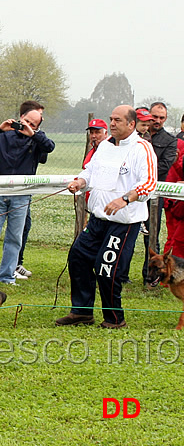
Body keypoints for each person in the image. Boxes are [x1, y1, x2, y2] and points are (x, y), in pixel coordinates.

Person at [56, 105, 157, 328]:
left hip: (124, 223)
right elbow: (90, 172)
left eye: (118, 120)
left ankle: (114, 318)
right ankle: (81, 312)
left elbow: (149, 183)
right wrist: (80, 182)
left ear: (131, 124)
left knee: (106, 267)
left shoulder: (143, 148)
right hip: (97, 220)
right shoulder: (104, 147)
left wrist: (125, 199)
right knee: (78, 257)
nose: (112, 123)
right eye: (111, 119)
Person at [0, 101, 55, 285]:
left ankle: (7, 276)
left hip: (21, 194)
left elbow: (49, 147)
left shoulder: (37, 139)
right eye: (25, 121)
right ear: (21, 117)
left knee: (14, 237)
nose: (26, 125)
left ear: (37, 127)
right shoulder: (4, 134)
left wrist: (33, 134)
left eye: (32, 124)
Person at [141, 101, 178, 285]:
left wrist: (141, 171)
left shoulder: (170, 141)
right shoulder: (136, 136)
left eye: (161, 118)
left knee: (151, 237)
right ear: (148, 115)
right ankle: (120, 274)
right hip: (131, 191)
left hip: (154, 194)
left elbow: (164, 166)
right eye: (154, 116)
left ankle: (150, 276)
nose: (157, 121)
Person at [14, 100, 47, 280]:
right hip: (12, 188)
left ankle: (17, 261)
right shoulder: (12, 134)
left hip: (26, 189)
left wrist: (35, 136)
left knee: (25, 226)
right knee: (14, 229)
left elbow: (43, 156)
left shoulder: (37, 136)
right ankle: (11, 264)